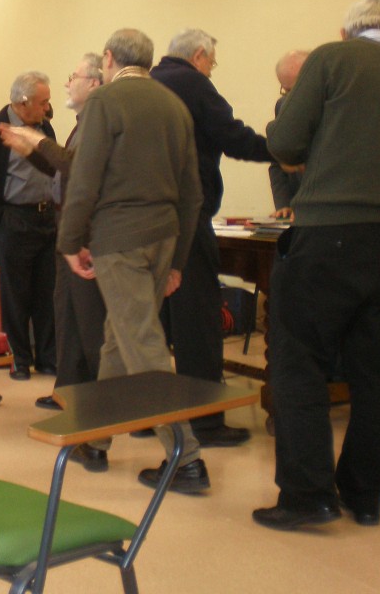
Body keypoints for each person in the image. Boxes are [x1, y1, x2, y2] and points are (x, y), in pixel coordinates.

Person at [254, 0, 380, 531]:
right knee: (375, 376)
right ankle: (364, 495)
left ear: (345, 33)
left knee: (299, 364)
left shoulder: (330, 60)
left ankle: (307, 495)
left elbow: (284, 142)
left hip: (326, 236)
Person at [58, 28, 208, 493]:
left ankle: (186, 457)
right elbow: (192, 192)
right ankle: (96, 440)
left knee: (142, 343)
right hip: (164, 236)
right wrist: (178, 258)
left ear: (108, 59)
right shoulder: (173, 105)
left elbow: (85, 179)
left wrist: (70, 240)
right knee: (118, 339)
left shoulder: (106, 102)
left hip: (120, 239)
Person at [150, 28, 273, 448]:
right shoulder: (193, 83)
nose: (211, 70)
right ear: (199, 55)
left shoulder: (149, 82)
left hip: (147, 222)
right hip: (187, 217)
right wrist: (280, 152)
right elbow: (233, 137)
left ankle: (150, 415)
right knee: (198, 321)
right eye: (212, 63)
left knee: (157, 323)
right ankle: (205, 422)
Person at [0, 52, 107, 469]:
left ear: (93, 83)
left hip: (84, 240)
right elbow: (62, 171)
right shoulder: (83, 122)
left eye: (73, 76)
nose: (67, 83)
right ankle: (71, 401)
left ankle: (99, 424)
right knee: (69, 321)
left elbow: (77, 170)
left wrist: (36, 142)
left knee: (88, 330)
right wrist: (31, 148)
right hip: (67, 234)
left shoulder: (97, 122)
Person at [0, 72, 57, 380]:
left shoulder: (45, 127)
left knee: (46, 293)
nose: (47, 108)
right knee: (15, 294)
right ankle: (19, 359)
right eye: (43, 102)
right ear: (22, 103)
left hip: (47, 218)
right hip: (15, 219)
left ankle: (48, 357)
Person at [268, 50, 309, 221]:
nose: (291, 99)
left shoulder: (336, 109)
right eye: (286, 91)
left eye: (296, 90)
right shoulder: (283, 106)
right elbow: (277, 162)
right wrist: (283, 204)